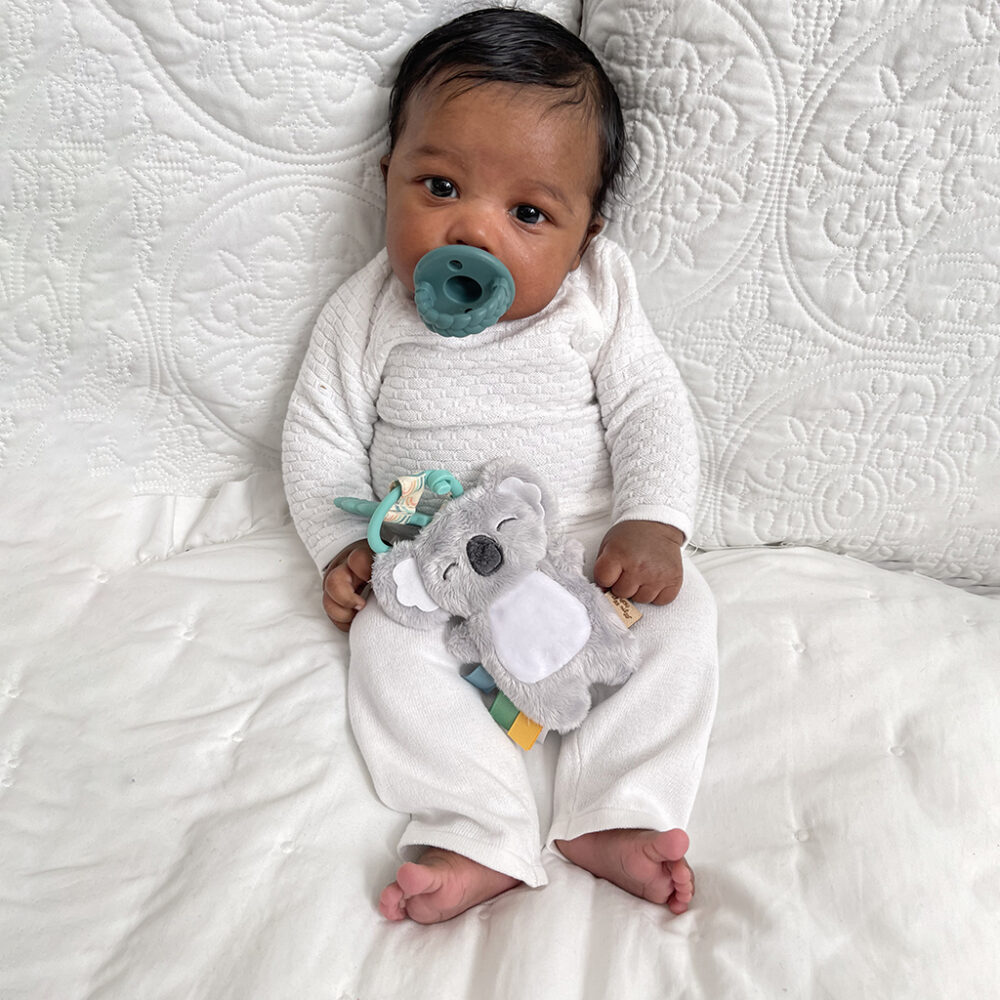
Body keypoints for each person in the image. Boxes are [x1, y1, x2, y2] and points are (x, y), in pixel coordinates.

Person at [282, 7, 718, 924]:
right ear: (385, 181)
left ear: (587, 234)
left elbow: (650, 407)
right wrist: (336, 547)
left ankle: (618, 808)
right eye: (438, 185)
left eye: (527, 212)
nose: (472, 234)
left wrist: (655, 522)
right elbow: (319, 432)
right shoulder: (366, 311)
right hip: (429, 569)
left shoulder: (597, 301)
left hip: (586, 554)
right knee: (382, 652)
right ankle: (473, 822)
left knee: (686, 617)